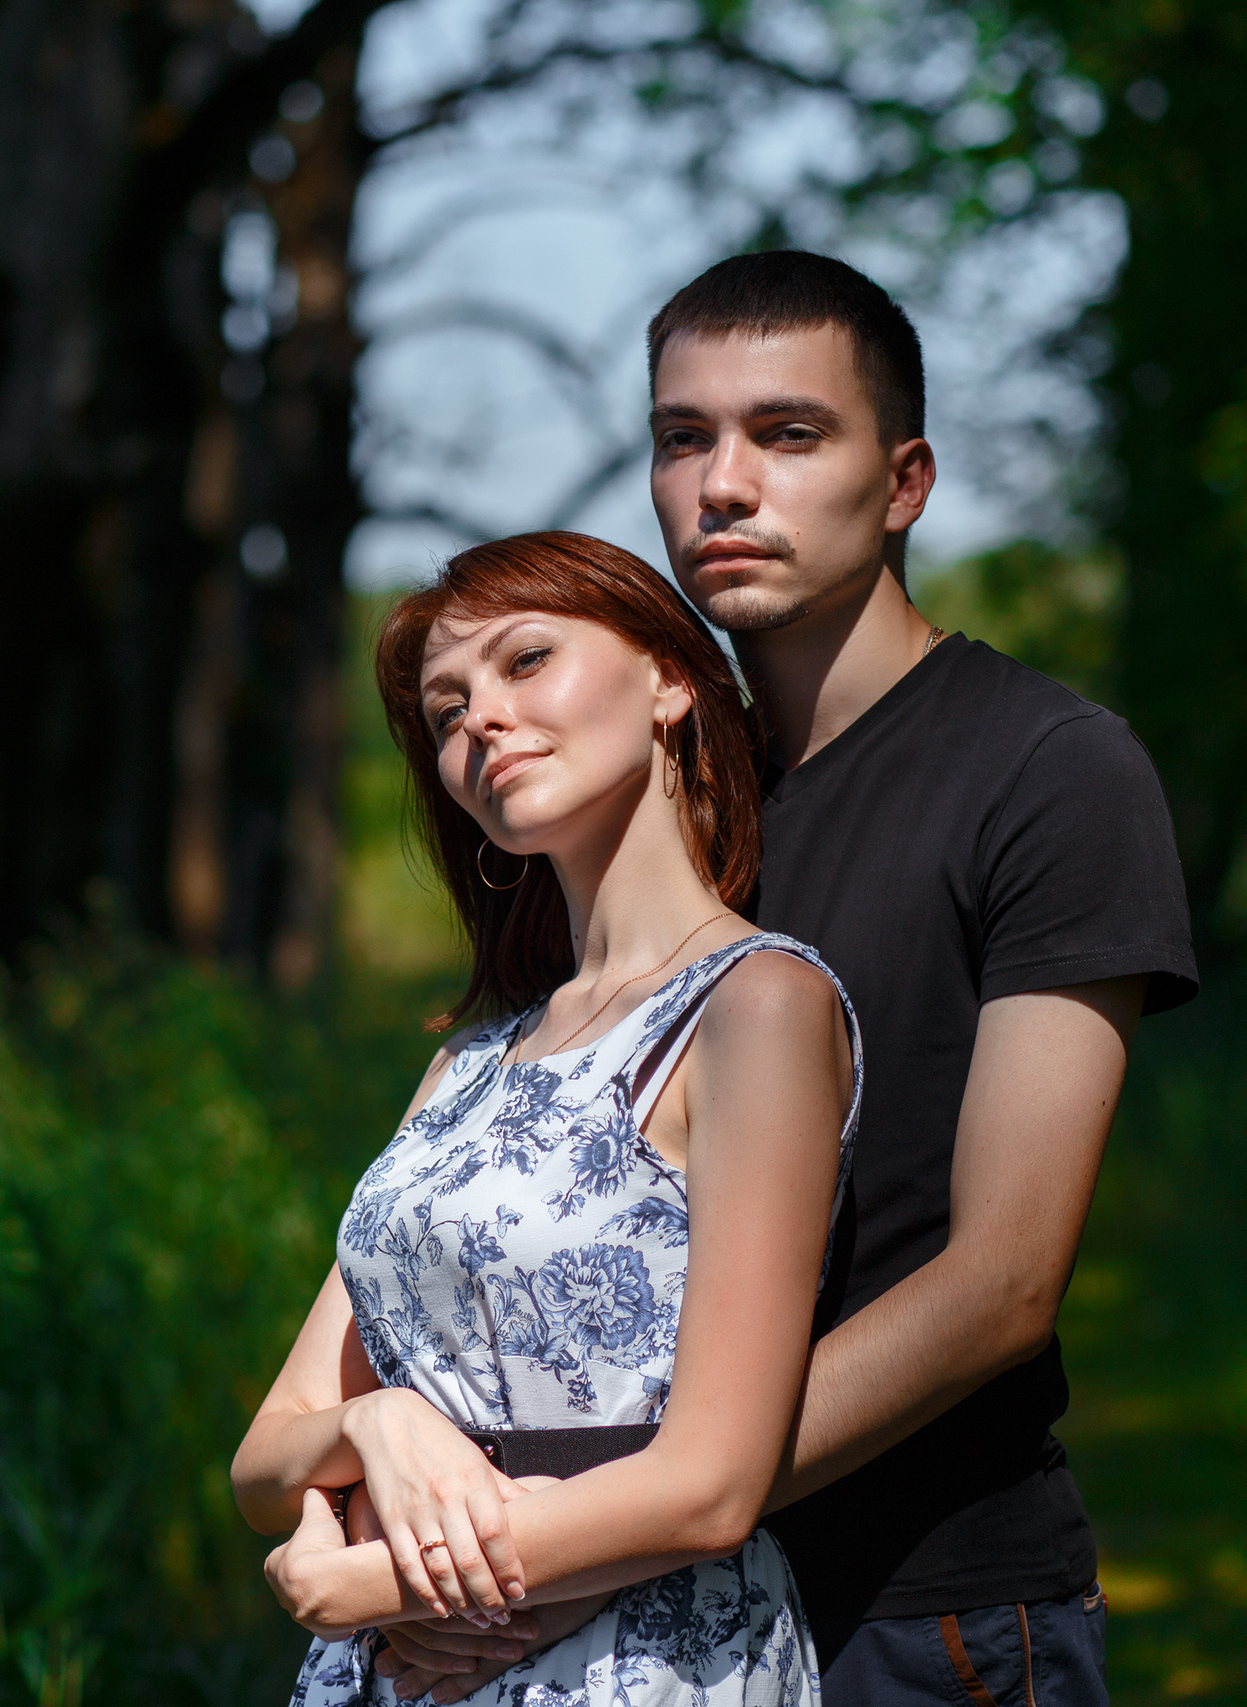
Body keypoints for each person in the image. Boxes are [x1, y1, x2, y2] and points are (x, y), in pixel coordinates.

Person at [376, 252, 1197, 1706]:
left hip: (915, 1608)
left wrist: (610, 1526)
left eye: (788, 433)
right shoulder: (647, 792)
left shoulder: (1050, 769)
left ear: (906, 480)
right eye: (683, 437)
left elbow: (1001, 1280)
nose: (724, 484)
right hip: (618, 1631)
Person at [233, 530, 865, 1705]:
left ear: (672, 681)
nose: (479, 720)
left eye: (528, 661)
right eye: (444, 710)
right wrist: (381, 1435)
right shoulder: (468, 1065)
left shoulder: (753, 1008)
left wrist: (372, 1592)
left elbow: (713, 1484)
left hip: (639, 1664)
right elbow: (269, 1454)